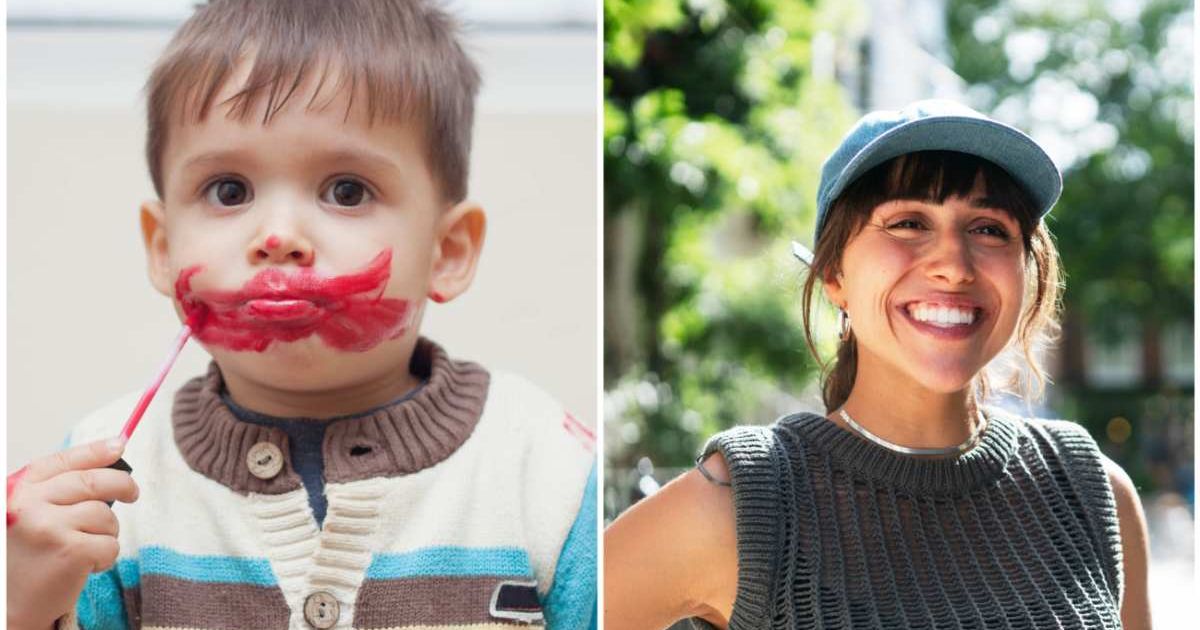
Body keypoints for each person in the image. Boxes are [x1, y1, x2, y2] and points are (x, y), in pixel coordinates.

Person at [5, 2, 596, 629]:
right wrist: (25, 604)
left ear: (446, 252)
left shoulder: (547, 471)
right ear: (162, 247)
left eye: (347, 191)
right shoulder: (105, 488)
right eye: (229, 191)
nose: (279, 235)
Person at [604, 100, 1151, 629]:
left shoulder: (1090, 491)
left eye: (988, 228)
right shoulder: (746, 505)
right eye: (908, 222)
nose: (954, 266)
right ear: (834, 276)